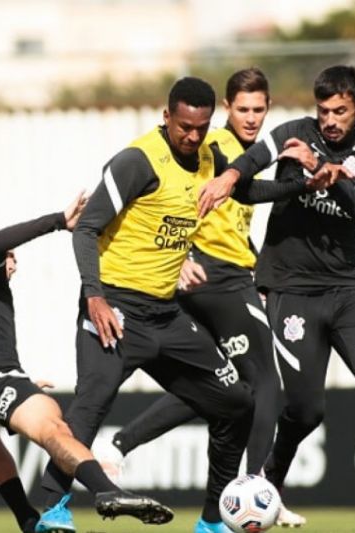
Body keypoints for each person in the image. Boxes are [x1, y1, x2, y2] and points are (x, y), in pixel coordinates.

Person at [37, 76, 323, 533]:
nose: (192, 136)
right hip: (116, 309)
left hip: (166, 314)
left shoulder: (212, 155)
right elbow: (88, 229)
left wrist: (302, 186)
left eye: (201, 127)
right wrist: (94, 295)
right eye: (184, 126)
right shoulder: (138, 161)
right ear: (167, 116)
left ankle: (212, 521)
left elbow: (246, 191)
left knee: (234, 402)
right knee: (89, 407)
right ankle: (51, 510)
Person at [198, 65, 355, 532]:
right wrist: (228, 178)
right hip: (291, 291)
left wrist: (325, 171)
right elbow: (252, 162)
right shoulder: (294, 134)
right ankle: (269, 480)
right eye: (324, 110)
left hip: (348, 290)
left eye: (340, 112)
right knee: (307, 410)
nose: (330, 120)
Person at [0, 192, 175, 533]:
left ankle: (27, 521)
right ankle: (107, 491)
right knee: (53, 428)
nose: (13, 262)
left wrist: (19, 380)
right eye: (9, 257)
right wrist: (59, 221)